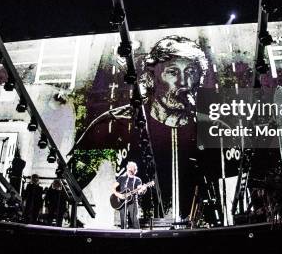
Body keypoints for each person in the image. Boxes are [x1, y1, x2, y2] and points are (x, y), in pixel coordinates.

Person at [71, 36, 210, 218]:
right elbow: (70, 184)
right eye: (173, 72)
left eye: (191, 72)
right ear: (151, 78)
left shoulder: (210, 127)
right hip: (132, 234)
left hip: (199, 236)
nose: (183, 83)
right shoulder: (116, 122)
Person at [112, 161, 148, 229]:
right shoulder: (122, 178)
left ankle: (137, 235)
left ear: (135, 170)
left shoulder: (137, 180)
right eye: (129, 167)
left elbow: (139, 191)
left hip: (133, 201)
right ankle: (123, 235)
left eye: (132, 168)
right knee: (123, 219)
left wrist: (143, 189)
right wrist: (118, 194)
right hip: (122, 201)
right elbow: (113, 187)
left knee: (134, 219)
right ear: (127, 168)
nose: (130, 169)